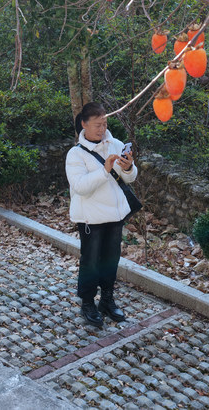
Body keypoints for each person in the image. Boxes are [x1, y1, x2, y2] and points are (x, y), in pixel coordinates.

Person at [65, 102, 137, 327]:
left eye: (105, 124)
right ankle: (87, 303)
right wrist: (105, 170)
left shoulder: (114, 143)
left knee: (110, 261)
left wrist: (128, 167)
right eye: (97, 125)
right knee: (91, 262)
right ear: (84, 125)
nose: (102, 129)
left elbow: (130, 179)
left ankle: (107, 299)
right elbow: (80, 186)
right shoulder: (75, 154)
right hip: (91, 219)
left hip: (115, 217)